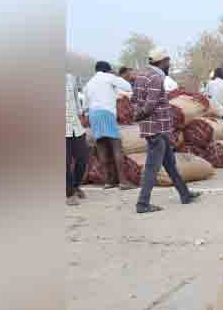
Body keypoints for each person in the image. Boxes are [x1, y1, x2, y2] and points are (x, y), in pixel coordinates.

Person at [131, 48, 202, 214]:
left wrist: (139, 116)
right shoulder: (156, 78)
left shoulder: (142, 75)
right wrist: (141, 116)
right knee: (152, 167)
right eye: (168, 62)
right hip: (157, 128)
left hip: (154, 127)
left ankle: (185, 194)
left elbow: (134, 100)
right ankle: (142, 203)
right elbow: (150, 104)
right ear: (162, 61)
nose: (169, 65)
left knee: (170, 165)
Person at [83, 61, 137, 191]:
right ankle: (123, 181)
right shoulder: (109, 77)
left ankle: (108, 181)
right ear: (107, 70)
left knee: (101, 147)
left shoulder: (88, 84)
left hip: (93, 114)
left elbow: (85, 105)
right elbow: (128, 87)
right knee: (116, 146)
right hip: (106, 112)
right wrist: (115, 77)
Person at [65, 73, 89, 205]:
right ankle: (69, 194)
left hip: (75, 126)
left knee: (83, 158)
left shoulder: (70, 78)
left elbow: (75, 99)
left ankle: (75, 185)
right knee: (65, 162)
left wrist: (81, 116)